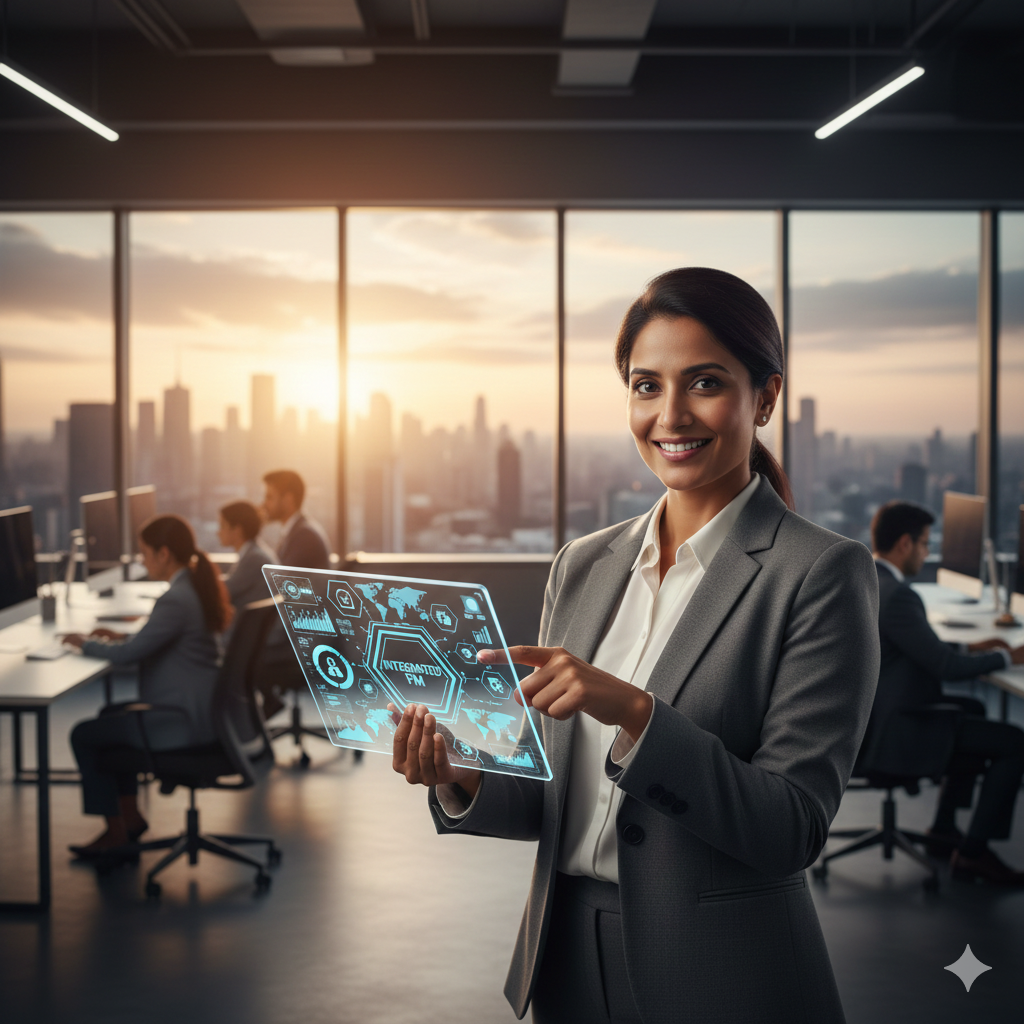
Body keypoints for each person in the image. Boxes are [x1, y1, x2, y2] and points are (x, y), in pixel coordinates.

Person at [390, 268, 880, 1024]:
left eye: (705, 382)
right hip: (568, 960)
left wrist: (635, 711)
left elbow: (792, 827)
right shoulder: (583, 565)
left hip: (727, 974)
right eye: (646, 385)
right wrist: (460, 775)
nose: (671, 414)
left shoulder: (818, 573)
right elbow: (557, 798)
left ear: (767, 397)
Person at [863, 500, 1024, 885]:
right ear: (905, 544)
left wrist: (975, 648)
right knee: (1016, 743)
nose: (927, 552)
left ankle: (944, 828)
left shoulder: (869, 579)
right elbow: (946, 668)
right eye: (924, 544)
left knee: (971, 708)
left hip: (874, 718)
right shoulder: (900, 597)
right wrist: (1008, 656)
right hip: (896, 732)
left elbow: (922, 649)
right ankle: (973, 853)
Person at [63, 514, 231, 859]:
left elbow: (128, 656)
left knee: (84, 735)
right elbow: (150, 640)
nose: (142, 561)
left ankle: (115, 832)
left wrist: (83, 643)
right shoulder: (192, 589)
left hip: (181, 723)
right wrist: (120, 636)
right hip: (202, 715)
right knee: (110, 714)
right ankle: (131, 818)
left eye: (145, 553)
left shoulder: (176, 599)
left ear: (164, 554)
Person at [262, 469, 330, 570]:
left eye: (270, 497)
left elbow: (282, 580)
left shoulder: (305, 535)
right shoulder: (295, 530)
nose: (264, 504)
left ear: (288, 499)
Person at [218, 499, 277, 610]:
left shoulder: (254, 558)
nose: (218, 532)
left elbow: (226, 590)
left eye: (222, 525)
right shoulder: (254, 552)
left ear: (237, 530)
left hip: (245, 623)